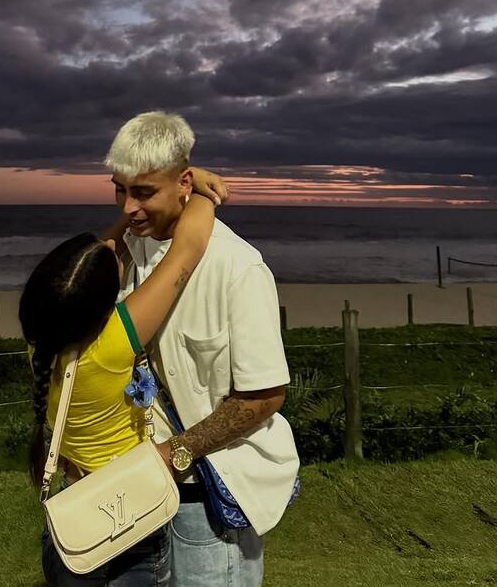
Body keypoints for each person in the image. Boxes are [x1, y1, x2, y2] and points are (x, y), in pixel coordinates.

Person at [104, 111, 299, 587]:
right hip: (134, 495)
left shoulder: (239, 268)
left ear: (183, 183)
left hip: (204, 498)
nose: (129, 207)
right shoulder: (130, 247)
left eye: (144, 192)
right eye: (119, 189)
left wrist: (174, 456)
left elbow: (263, 397)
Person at [19, 170, 228, 587]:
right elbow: (188, 248)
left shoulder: (40, 341)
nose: (117, 248)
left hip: (73, 507)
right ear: (101, 303)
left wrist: (170, 183)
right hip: (130, 509)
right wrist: (195, 188)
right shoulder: (115, 342)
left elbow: (104, 249)